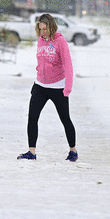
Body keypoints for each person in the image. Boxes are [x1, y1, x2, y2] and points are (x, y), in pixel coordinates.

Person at [18, 13, 78, 162]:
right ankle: (31, 152)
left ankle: (73, 150)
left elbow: (68, 65)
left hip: (58, 86)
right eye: (40, 29)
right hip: (40, 85)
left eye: (45, 29)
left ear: (52, 27)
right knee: (32, 117)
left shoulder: (60, 42)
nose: (43, 32)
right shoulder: (40, 41)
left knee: (65, 119)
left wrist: (68, 87)